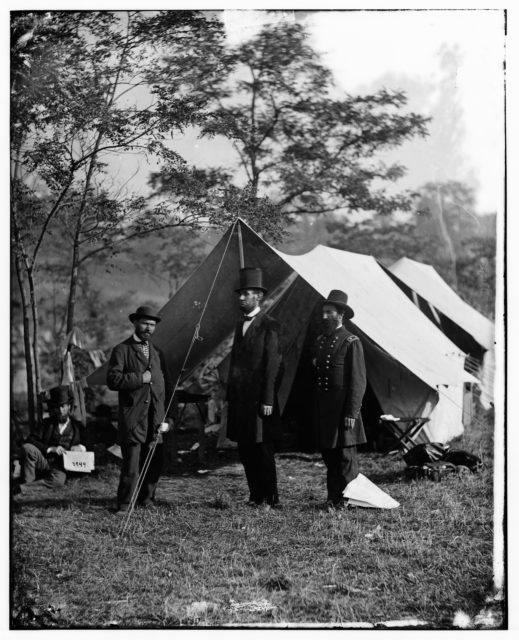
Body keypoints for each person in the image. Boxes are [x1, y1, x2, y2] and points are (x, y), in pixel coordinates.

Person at [107, 305, 172, 514]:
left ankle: (146, 500)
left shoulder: (158, 353)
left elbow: (167, 387)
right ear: (135, 323)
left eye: (152, 325)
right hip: (133, 418)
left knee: (154, 462)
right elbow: (113, 380)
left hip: (155, 418)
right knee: (132, 466)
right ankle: (125, 504)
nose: (148, 328)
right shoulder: (121, 350)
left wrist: (167, 417)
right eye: (145, 323)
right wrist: (139, 379)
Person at [226, 267, 282, 509]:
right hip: (241, 401)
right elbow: (235, 363)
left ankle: (270, 498)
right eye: (240, 294)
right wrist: (230, 396)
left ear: (258, 296)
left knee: (262, 450)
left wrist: (268, 399)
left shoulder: (271, 325)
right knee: (245, 448)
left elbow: (273, 366)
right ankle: (255, 495)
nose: (240, 298)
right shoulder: (240, 325)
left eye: (246, 294)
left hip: (261, 401)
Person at [313, 290, 367, 510]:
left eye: (329, 312)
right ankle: (334, 498)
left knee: (345, 459)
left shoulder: (351, 341)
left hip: (344, 411)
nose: (324, 316)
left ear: (341, 314)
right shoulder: (322, 341)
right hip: (327, 410)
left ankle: (350, 500)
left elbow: (358, 381)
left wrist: (351, 413)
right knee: (330, 457)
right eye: (323, 312)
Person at [17, 385, 86, 490]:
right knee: (27, 448)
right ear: (53, 409)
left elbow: (89, 443)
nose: (60, 410)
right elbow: (31, 440)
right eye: (57, 407)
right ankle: (28, 482)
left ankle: (23, 488)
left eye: (63, 406)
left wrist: (81, 447)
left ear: (69, 407)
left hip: (62, 465)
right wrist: (50, 449)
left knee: (58, 482)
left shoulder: (77, 427)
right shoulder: (46, 424)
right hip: (44, 461)